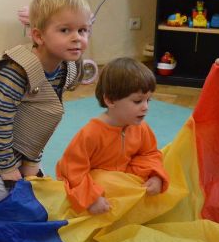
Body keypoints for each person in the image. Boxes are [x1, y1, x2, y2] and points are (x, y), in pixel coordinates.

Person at [0, 0, 91, 205]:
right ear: (38, 36)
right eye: (65, 30)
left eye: (83, 30)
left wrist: (31, 161)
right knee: (4, 201)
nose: (77, 38)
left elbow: (43, 116)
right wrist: (7, 168)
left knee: (36, 192)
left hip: (20, 132)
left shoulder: (64, 67)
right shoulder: (14, 73)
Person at [56, 57, 168, 215]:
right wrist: (91, 198)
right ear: (110, 100)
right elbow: (72, 169)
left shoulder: (141, 128)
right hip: (98, 191)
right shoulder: (91, 133)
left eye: (148, 100)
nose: (145, 107)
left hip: (123, 184)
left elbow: (149, 154)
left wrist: (155, 176)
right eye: (137, 101)